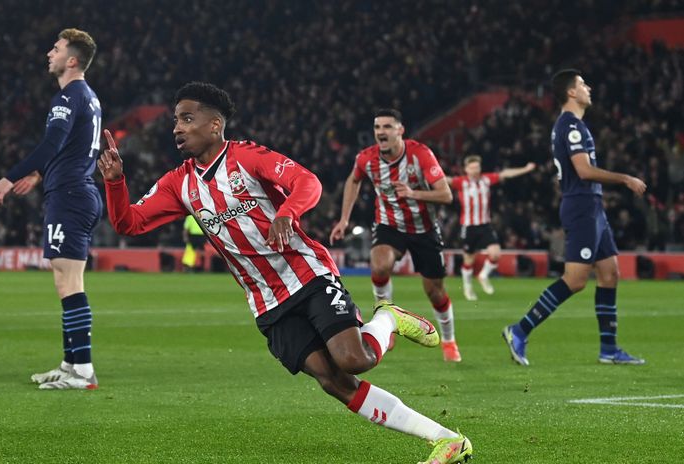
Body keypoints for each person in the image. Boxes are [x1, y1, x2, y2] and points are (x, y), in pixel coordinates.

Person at [99, 82, 473, 464]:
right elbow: (129, 222)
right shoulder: (178, 183)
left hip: (306, 274)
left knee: (353, 359)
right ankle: (446, 440)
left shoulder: (247, 157)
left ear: (214, 125)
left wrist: (287, 213)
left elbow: (307, 182)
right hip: (266, 301)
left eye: (187, 118)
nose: (177, 127)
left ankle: (388, 318)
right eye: (176, 120)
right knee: (334, 382)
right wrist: (115, 182)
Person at [502, 69, 647, 366]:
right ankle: (519, 330)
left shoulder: (574, 125)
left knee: (609, 273)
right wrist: (625, 178)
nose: (588, 87)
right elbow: (583, 170)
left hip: (592, 206)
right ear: (571, 92)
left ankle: (609, 349)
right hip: (581, 206)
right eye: (582, 84)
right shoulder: (570, 126)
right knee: (576, 279)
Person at [0, 28, 103, 389]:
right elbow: (73, 145)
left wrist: (8, 178)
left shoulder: (68, 96)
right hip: (73, 192)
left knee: (70, 281)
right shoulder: (88, 97)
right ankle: (71, 363)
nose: (49, 53)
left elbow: (52, 143)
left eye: (56, 48)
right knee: (63, 278)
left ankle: (83, 370)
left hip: (70, 195)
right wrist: (39, 174)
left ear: (72, 60)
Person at [329, 109, 462, 363]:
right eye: (377, 127)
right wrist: (344, 218)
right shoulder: (366, 158)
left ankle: (449, 340)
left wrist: (413, 194)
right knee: (379, 265)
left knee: (435, 292)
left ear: (400, 130)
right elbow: (353, 180)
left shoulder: (420, 154)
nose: (381, 132)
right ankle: (386, 322)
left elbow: (446, 195)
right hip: (389, 225)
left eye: (387, 127)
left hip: (424, 229)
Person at [448, 156, 536, 301]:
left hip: (485, 225)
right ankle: (467, 287)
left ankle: (483, 275)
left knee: (495, 254)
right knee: (469, 259)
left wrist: (525, 169)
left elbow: (505, 173)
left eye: (477, 167)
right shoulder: (461, 182)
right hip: (468, 226)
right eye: (472, 168)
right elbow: (445, 180)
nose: (475, 170)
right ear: (466, 169)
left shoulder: (486, 179)